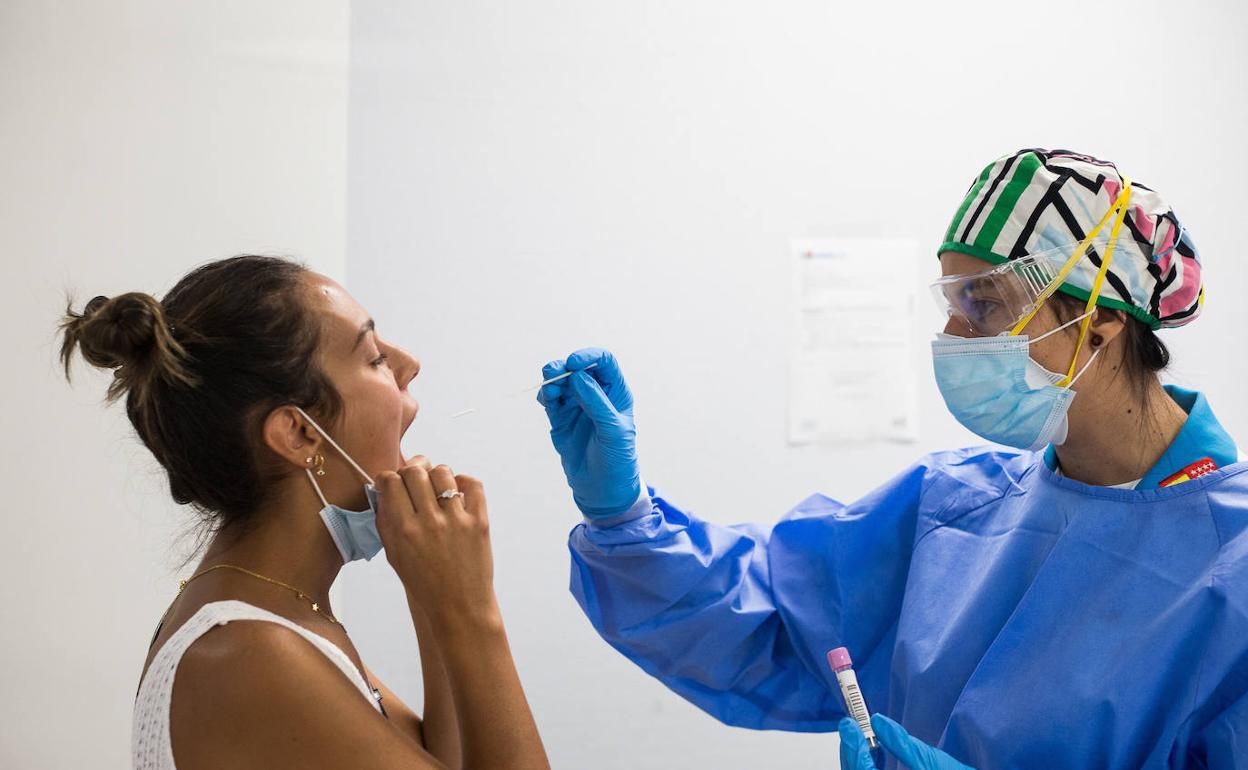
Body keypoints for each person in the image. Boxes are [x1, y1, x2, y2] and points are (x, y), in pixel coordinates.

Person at [536, 149, 1248, 769]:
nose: (953, 332)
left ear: (1100, 320)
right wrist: (624, 514)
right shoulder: (954, 507)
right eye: (950, 299)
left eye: (985, 301)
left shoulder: (1233, 570)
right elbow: (769, 621)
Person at [60, 256, 549, 770]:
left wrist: (433, 594)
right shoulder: (250, 653)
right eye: (375, 357)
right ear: (299, 434)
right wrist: (472, 611)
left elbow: (447, 761)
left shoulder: (284, 614)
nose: (409, 363)